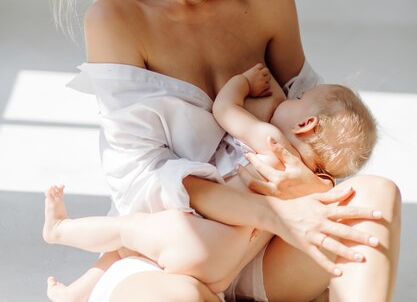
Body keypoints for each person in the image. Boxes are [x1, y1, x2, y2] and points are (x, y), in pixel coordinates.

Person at [32, 0, 401, 302]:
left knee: (377, 197)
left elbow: (308, 123)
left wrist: (309, 190)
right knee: (182, 297)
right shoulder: (116, 19)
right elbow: (145, 176)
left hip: (262, 247)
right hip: (174, 252)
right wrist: (277, 215)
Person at [42, 63, 378, 302]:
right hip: (224, 268)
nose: (286, 98)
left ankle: (59, 230)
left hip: (200, 239)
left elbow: (225, 109)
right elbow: (278, 106)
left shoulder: (271, 139)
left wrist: (244, 82)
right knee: (129, 242)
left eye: (297, 99)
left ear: (304, 123)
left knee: (125, 232)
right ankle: (74, 294)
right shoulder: (313, 182)